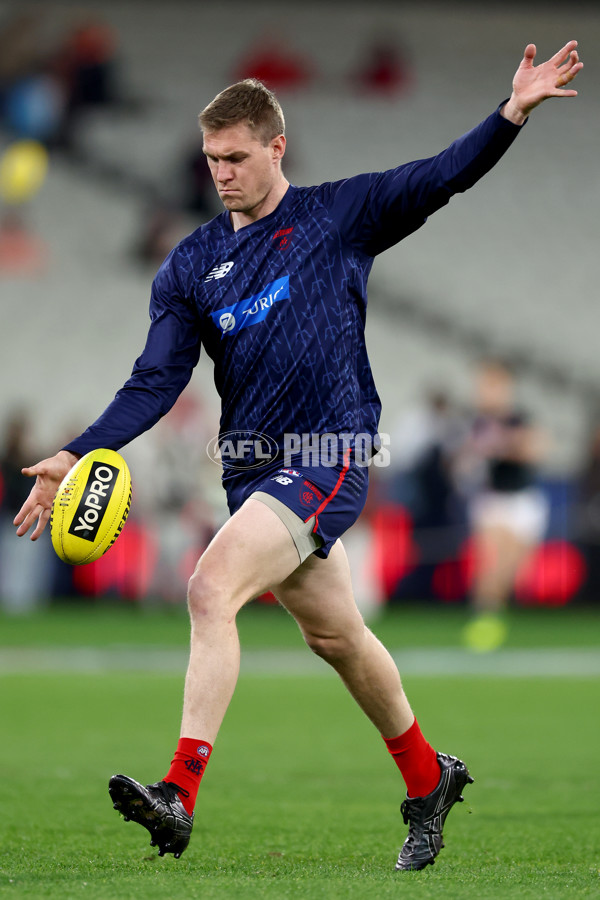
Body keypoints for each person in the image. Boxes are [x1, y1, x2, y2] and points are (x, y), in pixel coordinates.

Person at [14, 41, 582, 872]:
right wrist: (77, 450)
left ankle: (179, 791)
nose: (222, 173)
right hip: (252, 471)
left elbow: (440, 175)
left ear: (276, 147)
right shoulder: (191, 264)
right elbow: (155, 381)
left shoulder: (338, 216)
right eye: (211, 159)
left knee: (210, 588)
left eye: (237, 157)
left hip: (332, 451)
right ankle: (430, 779)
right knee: (339, 639)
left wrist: (510, 114)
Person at [456, 360, 549, 651]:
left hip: (523, 501)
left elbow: (534, 451)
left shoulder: (519, 419)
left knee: (510, 571)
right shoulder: (476, 422)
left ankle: (491, 615)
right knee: (490, 564)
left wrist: (505, 444)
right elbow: (467, 458)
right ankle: (484, 621)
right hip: (493, 500)